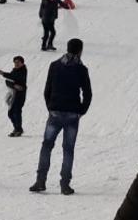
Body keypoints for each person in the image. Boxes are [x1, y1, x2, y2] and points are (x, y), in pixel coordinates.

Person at [30, 38, 92, 194]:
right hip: (72, 114)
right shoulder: (81, 69)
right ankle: (65, 184)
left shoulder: (55, 66)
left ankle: (40, 181)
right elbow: (88, 93)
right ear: (80, 50)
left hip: (55, 112)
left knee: (47, 146)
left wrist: (50, 107)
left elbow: (47, 89)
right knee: (68, 149)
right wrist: (81, 111)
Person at [0, 56, 28, 137]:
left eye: (18, 62)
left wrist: (4, 74)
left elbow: (15, 78)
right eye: (15, 62)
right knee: (11, 113)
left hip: (20, 95)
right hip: (13, 94)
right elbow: (8, 81)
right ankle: (17, 128)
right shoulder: (15, 70)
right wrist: (14, 85)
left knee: (16, 112)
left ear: (22, 63)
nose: (16, 64)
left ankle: (18, 129)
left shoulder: (23, 71)